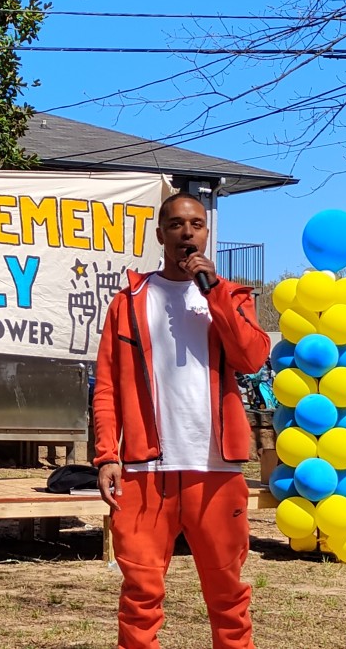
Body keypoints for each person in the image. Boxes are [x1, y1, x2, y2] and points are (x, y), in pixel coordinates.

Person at [92, 191, 270, 649]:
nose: (187, 233)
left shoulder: (229, 296)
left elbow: (251, 358)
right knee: (141, 593)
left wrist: (213, 293)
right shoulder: (129, 301)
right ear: (160, 235)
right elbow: (107, 385)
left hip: (215, 466)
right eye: (176, 225)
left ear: (206, 233)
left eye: (196, 224)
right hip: (146, 469)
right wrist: (106, 455)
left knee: (228, 593)